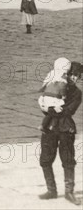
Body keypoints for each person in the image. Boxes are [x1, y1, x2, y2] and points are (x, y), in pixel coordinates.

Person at [39, 61, 82, 205]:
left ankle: (69, 192)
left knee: (68, 159)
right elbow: (43, 103)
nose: (75, 78)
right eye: (73, 75)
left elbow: (69, 110)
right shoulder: (54, 84)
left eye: (78, 76)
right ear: (67, 73)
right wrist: (49, 108)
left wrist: (50, 109)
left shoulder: (77, 93)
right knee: (45, 159)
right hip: (50, 127)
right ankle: (51, 190)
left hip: (65, 128)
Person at [39, 57, 70, 132]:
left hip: (45, 97)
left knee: (50, 112)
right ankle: (44, 126)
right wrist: (64, 96)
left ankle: (47, 125)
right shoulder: (62, 80)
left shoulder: (51, 74)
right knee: (54, 112)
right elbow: (62, 89)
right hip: (54, 98)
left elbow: (44, 85)